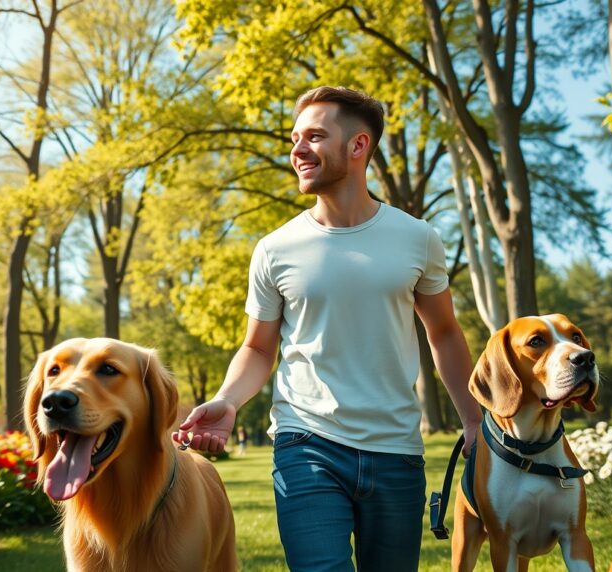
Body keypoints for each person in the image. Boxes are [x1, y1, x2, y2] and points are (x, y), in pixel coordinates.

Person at [173, 86, 482, 571]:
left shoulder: (418, 239)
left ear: (358, 146)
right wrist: (228, 400)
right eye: (295, 138)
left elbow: (443, 332)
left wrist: (472, 419)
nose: (297, 150)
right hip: (306, 442)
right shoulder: (276, 249)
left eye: (314, 136)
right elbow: (257, 348)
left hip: (396, 450)